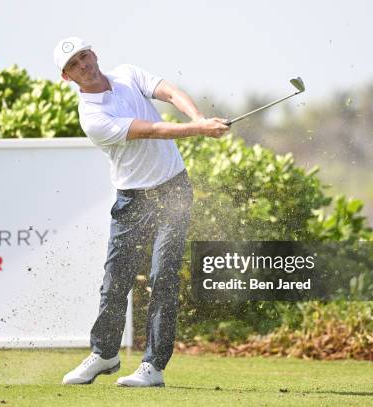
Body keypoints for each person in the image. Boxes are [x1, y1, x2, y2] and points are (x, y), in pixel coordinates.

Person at [54, 37, 228, 387]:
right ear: (67, 76)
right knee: (114, 280)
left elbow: (170, 93)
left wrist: (197, 116)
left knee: (163, 276)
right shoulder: (92, 116)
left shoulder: (128, 74)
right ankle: (105, 353)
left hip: (172, 189)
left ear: (94, 54)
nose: (84, 64)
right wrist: (199, 130)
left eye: (85, 55)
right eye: (74, 63)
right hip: (132, 199)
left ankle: (153, 367)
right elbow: (153, 130)